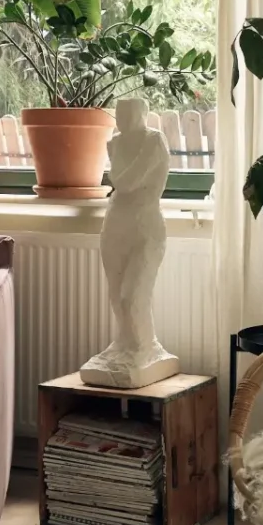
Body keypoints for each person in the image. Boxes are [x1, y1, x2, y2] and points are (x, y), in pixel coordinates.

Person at [80, 97, 179, 386]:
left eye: (129, 112)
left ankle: (144, 346)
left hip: (146, 227)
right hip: (116, 223)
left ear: (144, 113)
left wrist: (115, 174)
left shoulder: (154, 141)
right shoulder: (115, 142)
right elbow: (120, 180)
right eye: (119, 113)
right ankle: (124, 343)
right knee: (116, 294)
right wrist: (116, 174)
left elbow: (125, 182)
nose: (122, 118)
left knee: (132, 294)